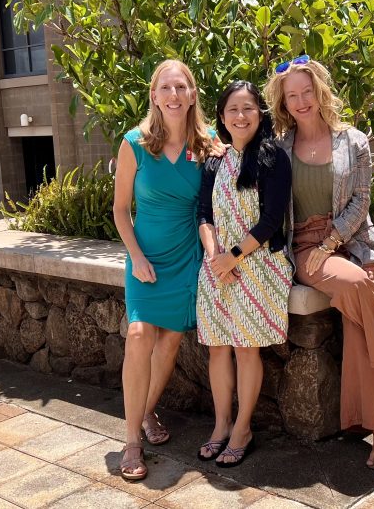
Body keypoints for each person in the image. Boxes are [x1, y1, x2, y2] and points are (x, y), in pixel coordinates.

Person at [264, 56, 374, 470]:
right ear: (283, 102)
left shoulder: (353, 140)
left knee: (358, 330)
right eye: (292, 96)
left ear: (320, 91)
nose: (301, 102)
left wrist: (334, 240)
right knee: (356, 286)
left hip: (350, 242)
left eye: (306, 92)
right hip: (304, 247)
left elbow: (361, 200)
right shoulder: (280, 147)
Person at [113, 59, 216, 480]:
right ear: (154, 95)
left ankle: (148, 410)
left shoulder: (208, 143)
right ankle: (132, 439)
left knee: (170, 343)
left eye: (182, 87)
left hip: (186, 259)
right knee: (139, 334)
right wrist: (136, 256)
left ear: (192, 94)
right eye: (166, 88)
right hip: (145, 259)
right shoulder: (135, 143)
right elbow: (121, 211)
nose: (174, 96)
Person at [196, 81, 292, 467]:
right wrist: (215, 255)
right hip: (216, 267)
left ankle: (243, 429)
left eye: (248, 108)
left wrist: (232, 257)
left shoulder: (272, 158)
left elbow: (271, 219)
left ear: (260, 113)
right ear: (222, 117)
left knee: (245, 348)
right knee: (218, 346)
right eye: (232, 109)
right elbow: (203, 214)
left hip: (258, 266)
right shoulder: (214, 161)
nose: (240, 116)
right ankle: (221, 425)